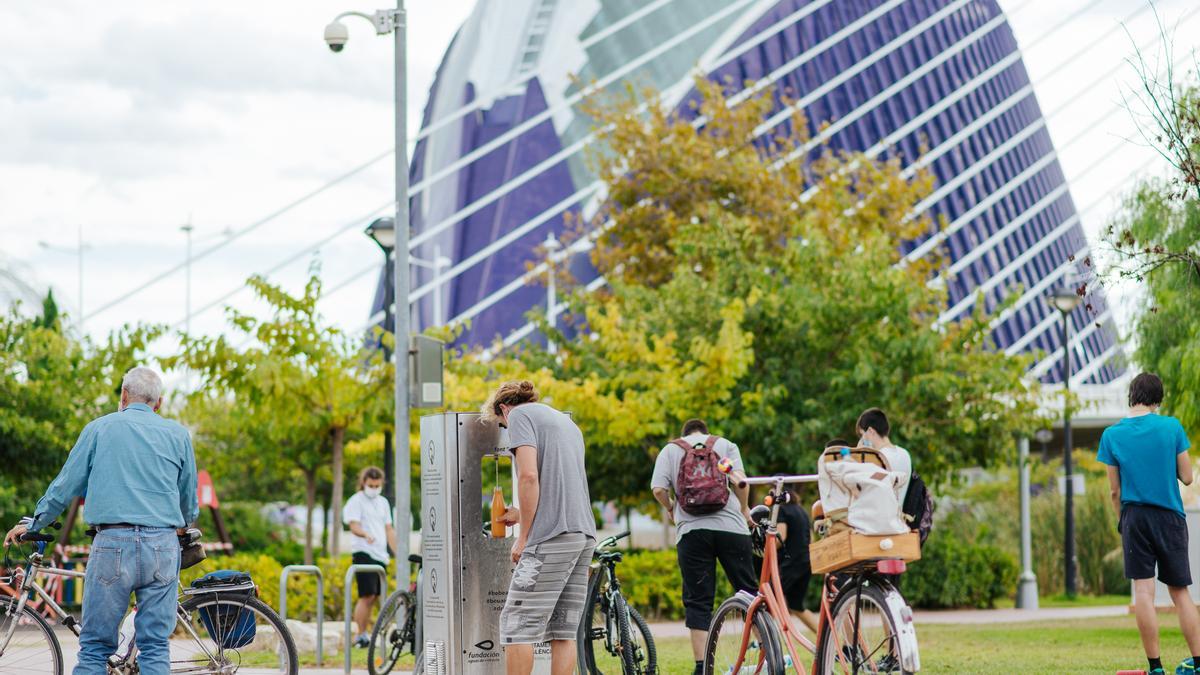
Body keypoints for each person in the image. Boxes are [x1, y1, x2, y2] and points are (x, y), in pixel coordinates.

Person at [5, 367, 198, 675]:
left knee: (95, 647)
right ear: (158, 403)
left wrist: (36, 524)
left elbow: (64, 486)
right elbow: (188, 496)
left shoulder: (98, 429)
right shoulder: (178, 435)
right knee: (155, 646)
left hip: (112, 544)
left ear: (123, 396)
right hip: (162, 546)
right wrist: (183, 525)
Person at [482, 380, 596, 675]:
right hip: (581, 533)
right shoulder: (565, 423)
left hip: (551, 537)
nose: (507, 430)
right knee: (563, 627)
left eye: (502, 425)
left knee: (516, 623)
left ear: (504, 409)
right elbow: (561, 485)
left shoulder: (519, 416)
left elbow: (529, 476)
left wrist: (524, 538)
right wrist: (521, 513)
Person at [1098, 372, 1200, 675]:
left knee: (1143, 592)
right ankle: (1198, 663)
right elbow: (1188, 476)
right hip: (1169, 516)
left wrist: (1122, 521)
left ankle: (1155, 668)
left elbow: (1114, 491)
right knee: (1180, 591)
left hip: (1134, 517)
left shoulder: (1112, 435)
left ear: (1132, 395)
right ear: (1158, 398)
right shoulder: (1171, 427)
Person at [652, 418, 757, 675]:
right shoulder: (725, 444)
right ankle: (767, 648)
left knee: (698, 600)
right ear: (705, 432)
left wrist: (670, 508)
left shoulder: (670, 450)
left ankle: (702, 665)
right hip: (731, 527)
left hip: (691, 531)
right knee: (748, 591)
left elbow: (658, 489)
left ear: (684, 433)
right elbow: (741, 482)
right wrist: (743, 509)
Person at [343, 466, 397, 649]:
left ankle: (368, 633)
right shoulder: (356, 501)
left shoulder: (383, 502)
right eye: (371, 485)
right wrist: (365, 534)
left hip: (380, 556)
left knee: (375, 597)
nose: (374, 488)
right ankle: (360, 635)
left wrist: (397, 552)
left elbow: (389, 529)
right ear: (364, 483)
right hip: (364, 552)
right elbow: (353, 525)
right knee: (366, 596)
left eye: (377, 485)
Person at [855, 408, 912, 503]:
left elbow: (863, 492)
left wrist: (859, 455)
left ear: (870, 431)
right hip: (898, 516)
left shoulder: (878, 459)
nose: (862, 439)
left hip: (879, 516)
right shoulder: (904, 454)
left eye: (862, 435)